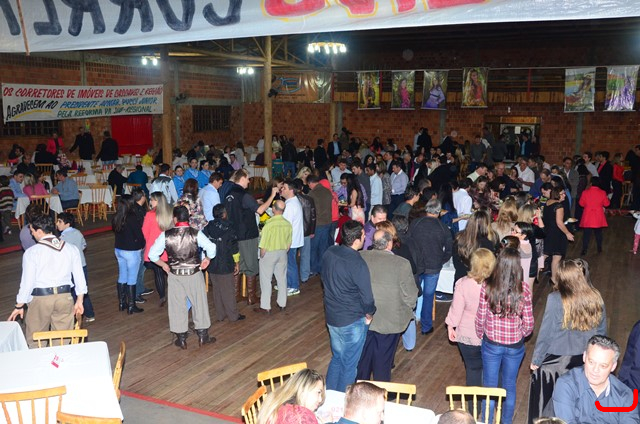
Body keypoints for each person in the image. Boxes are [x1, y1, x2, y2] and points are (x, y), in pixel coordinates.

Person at [529, 259, 606, 422]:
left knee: (546, 405)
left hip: (556, 363)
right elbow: (601, 333)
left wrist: (536, 359)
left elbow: (546, 333)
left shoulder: (555, 299)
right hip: (583, 362)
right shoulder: (596, 298)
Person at [7, 214, 87, 347]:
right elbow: (80, 277)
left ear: (39, 231)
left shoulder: (32, 252)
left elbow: (27, 283)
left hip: (40, 299)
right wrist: (80, 300)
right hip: (65, 297)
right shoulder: (71, 248)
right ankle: (57, 360)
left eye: (32, 231)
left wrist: (19, 305)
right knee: (62, 341)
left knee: (36, 341)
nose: (32, 235)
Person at [475, 248, 534, 424]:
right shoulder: (524, 289)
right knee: (509, 386)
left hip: (491, 343)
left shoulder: (488, 286)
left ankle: (486, 421)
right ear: (517, 266)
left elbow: (481, 316)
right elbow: (529, 323)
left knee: (489, 386)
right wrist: (521, 334)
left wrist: (480, 333)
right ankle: (506, 421)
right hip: (515, 346)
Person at [149, 205, 217, 349]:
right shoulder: (196, 233)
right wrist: (207, 259)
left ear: (174, 219)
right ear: (188, 218)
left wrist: (163, 265)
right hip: (194, 273)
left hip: (175, 275)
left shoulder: (166, 235)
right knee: (199, 304)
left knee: (177, 305)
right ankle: (203, 336)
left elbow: (152, 254)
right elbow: (211, 248)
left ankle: (181, 339)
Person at [322, 220, 376, 392]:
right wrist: (369, 314)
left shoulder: (330, 252)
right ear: (358, 239)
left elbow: (324, 279)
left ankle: (329, 397)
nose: (365, 238)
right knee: (349, 365)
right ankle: (341, 403)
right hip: (352, 321)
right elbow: (367, 297)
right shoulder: (357, 263)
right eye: (363, 235)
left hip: (332, 317)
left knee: (337, 358)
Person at [357, 230, 418, 382]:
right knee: (383, 362)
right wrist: (408, 308)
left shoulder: (360, 256)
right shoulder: (401, 264)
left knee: (363, 359)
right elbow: (411, 295)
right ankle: (381, 391)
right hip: (390, 320)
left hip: (363, 317)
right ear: (389, 244)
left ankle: (360, 389)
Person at [553, 335, 639, 424]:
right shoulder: (567, 385)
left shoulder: (625, 394)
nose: (595, 370)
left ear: (613, 366)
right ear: (584, 357)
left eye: (603, 366)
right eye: (591, 362)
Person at [225, 169, 278, 305]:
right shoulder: (244, 195)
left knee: (238, 265)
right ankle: (251, 296)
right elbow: (260, 211)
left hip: (233, 235)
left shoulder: (228, 194)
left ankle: (236, 295)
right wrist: (272, 196)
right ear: (242, 178)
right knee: (251, 266)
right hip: (247, 235)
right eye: (248, 178)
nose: (249, 181)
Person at [446, 248, 496, 390]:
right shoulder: (497, 285)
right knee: (492, 371)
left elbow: (456, 310)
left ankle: (473, 402)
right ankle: (491, 401)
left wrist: (450, 326)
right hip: (492, 334)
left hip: (467, 334)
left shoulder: (462, 283)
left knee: (473, 369)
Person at [409, 199, 453, 335]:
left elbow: (408, 242)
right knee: (428, 297)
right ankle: (426, 326)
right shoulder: (443, 227)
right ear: (439, 212)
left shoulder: (415, 223)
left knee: (412, 294)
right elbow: (449, 250)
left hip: (416, 265)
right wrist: (441, 260)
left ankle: (409, 324)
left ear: (426, 209)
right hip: (433, 266)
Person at [202, 204, 245, 322]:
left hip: (212, 263)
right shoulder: (229, 228)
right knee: (228, 290)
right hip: (226, 263)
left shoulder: (207, 228)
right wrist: (237, 262)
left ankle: (220, 315)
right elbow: (234, 248)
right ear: (224, 214)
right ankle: (233, 315)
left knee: (217, 290)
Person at [56, 212, 95, 323]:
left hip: (71, 268)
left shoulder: (63, 238)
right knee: (83, 290)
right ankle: (90, 314)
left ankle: (75, 315)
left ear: (67, 223)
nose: (57, 224)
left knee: (73, 291)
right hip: (82, 265)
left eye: (60, 221)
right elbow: (83, 245)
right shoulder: (78, 233)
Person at [254, 200, 292, 314]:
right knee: (282, 279)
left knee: (266, 280)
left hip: (269, 253)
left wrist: (261, 256)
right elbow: (289, 243)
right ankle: (282, 303)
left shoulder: (269, 224)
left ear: (274, 209)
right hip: (282, 253)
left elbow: (264, 244)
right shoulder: (287, 224)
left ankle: (266, 306)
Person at [112, 194, 145, 314]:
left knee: (122, 275)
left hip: (119, 249)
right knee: (132, 278)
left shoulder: (116, 216)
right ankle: (131, 305)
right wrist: (142, 244)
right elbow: (139, 234)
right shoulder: (132, 217)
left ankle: (122, 303)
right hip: (131, 250)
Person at [257, 368, 325, 424]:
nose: (320, 399)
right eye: (318, 392)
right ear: (304, 389)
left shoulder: (277, 401)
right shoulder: (303, 417)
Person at [142, 192, 173, 306]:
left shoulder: (150, 215)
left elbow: (144, 233)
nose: (150, 202)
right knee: (171, 271)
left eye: (152, 200)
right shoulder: (170, 212)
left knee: (158, 273)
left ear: (158, 201)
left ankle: (162, 296)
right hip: (169, 246)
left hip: (154, 247)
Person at [543, 187, 574, 284]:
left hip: (548, 231)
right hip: (557, 233)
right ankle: (553, 279)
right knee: (556, 256)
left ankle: (533, 274)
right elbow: (559, 223)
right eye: (562, 193)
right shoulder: (559, 206)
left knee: (545, 254)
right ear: (557, 194)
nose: (565, 195)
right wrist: (567, 233)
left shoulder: (548, 202)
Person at [280, 179, 304, 296]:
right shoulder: (292, 202)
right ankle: (289, 284)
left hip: (290, 240)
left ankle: (294, 286)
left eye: (284, 188)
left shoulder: (290, 205)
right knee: (289, 262)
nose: (282, 190)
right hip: (293, 238)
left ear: (291, 190)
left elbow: (286, 225)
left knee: (290, 263)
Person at [308, 175, 333, 277]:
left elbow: (310, 212)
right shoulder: (327, 191)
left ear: (311, 183)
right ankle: (322, 268)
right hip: (328, 222)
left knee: (313, 248)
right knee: (323, 247)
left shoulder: (312, 194)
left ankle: (313, 269)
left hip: (318, 224)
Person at [579, 176, 610, 256]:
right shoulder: (603, 192)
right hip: (598, 215)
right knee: (598, 233)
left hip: (588, 215)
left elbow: (581, 204)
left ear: (591, 183)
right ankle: (599, 248)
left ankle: (584, 249)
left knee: (586, 234)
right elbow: (606, 204)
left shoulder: (585, 192)